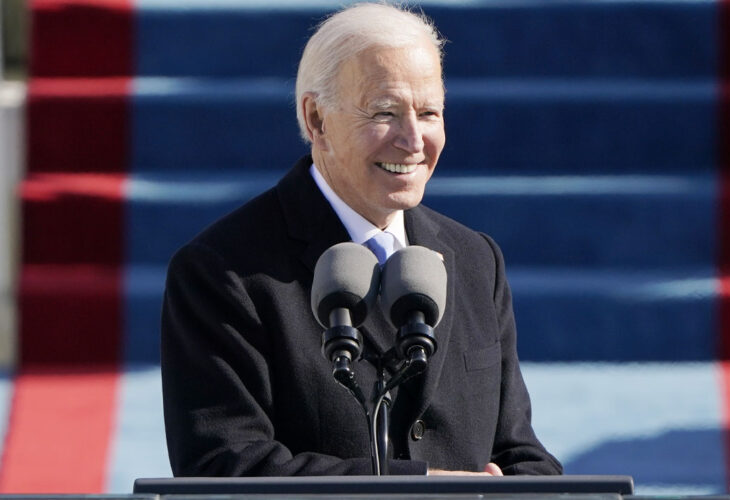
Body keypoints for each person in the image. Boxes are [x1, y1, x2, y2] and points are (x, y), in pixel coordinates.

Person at [161, 2, 562, 477]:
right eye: (385, 112)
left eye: (430, 112)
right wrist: (422, 488)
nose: (413, 140)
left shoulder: (476, 259)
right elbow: (227, 467)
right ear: (317, 120)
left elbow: (522, 454)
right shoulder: (222, 272)